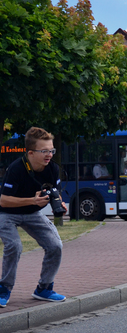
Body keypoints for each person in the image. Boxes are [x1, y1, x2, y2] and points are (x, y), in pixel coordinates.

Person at [0, 127, 67, 308]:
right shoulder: (16, 168)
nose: (49, 155)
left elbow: (56, 192)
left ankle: (44, 288)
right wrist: (32, 200)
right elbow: (4, 201)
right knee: (14, 245)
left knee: (55, 246)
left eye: (51, 150)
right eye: (44, 151)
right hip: (6, 214)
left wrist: (59, 203)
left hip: (31, 213)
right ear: (31, 152)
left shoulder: (52, 168)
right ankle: (3, 289)